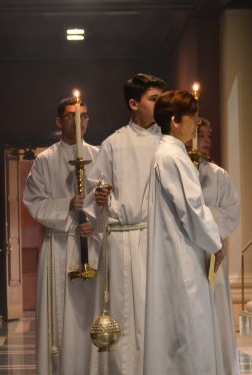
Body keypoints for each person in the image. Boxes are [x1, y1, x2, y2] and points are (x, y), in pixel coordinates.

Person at [83, 73, 166, 375]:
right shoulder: (113, 144)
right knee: (123, 316)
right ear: (133, 103)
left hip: (155, 239)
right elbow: (94, 189)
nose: (159, 105)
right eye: (153, 99)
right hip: (120, 241)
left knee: (154, 316)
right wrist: (100, 195)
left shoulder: (167, 144)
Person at [143, 90, 225, 375]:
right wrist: (216, 243)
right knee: (191, 329)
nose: (197, 123)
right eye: (194, 117)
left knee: (178, 330)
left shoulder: (167, 153)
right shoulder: (173, 156)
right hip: (182, 255)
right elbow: (192, 208)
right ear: (176, 121)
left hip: (177, 250)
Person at [23, 96, 99, 375]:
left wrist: (96, 221)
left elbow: (110, 201)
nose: (80, 122)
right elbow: (33, 201)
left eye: (85, 116)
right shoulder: (44, 161)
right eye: (72, 116)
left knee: (88, 316)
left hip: (92, 246)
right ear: (59, 121)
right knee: (58, 324)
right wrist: (68, 204)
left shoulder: (100, 155)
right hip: (58, 246)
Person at [190, 118, 241, 375]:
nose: (207, 140)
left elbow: (231, 212)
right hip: (186, 255)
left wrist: (204, 219)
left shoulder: (219, 175)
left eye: (209, 135)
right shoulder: (180, 173)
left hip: (213, 255)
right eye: (201, 134)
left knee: (216, 312)